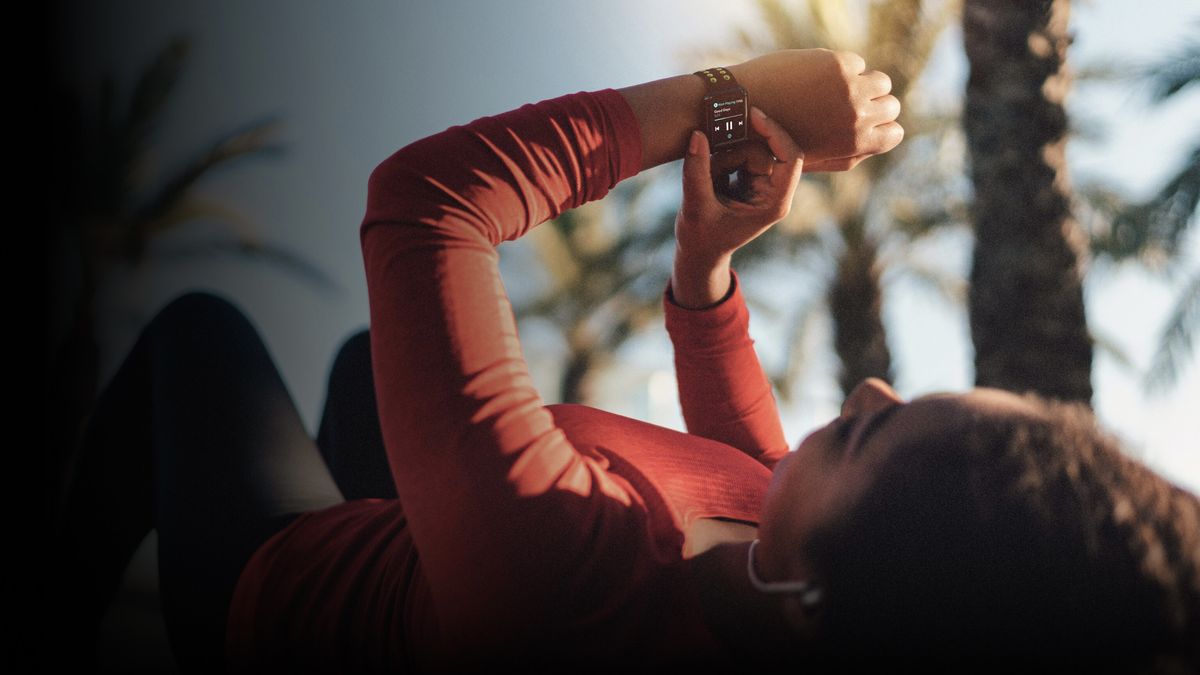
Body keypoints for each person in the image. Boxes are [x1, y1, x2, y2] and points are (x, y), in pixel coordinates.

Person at [49, 48, 1199, 673]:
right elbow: (745, 446)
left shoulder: (570, 584)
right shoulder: (783, 560)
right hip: (427, 552)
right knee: (362, 366)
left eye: (865, 430)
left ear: (816, 606)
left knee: (198, 334)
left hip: (281, 591)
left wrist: (735, 95)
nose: (867, 386)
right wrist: (705, 265)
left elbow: (424, 205)